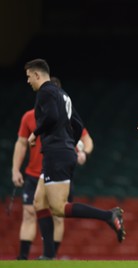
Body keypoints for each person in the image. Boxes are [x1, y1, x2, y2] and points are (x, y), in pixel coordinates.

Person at [24, 58, 125, 260]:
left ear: (37, 75)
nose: (28, 81)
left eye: (28, 77)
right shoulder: (63, 94)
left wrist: (36, 133)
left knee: (58, 208)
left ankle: (108, 215)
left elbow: (51, 117)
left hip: (56, 154)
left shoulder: (45, 91)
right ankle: (49, 256)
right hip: (61, 152)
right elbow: (77, 124)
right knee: (38, 202)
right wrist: (70, 145)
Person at [11, 77, 94, 260]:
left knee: (57, 214)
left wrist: (83, 154)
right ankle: (23, 259)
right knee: (29, 213)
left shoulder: (65, 117)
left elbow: (87, 140)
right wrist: (15, 169)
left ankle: (51, 257)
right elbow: (21, 143)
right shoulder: (29, 117)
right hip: (34, 174)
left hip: (57, 172)